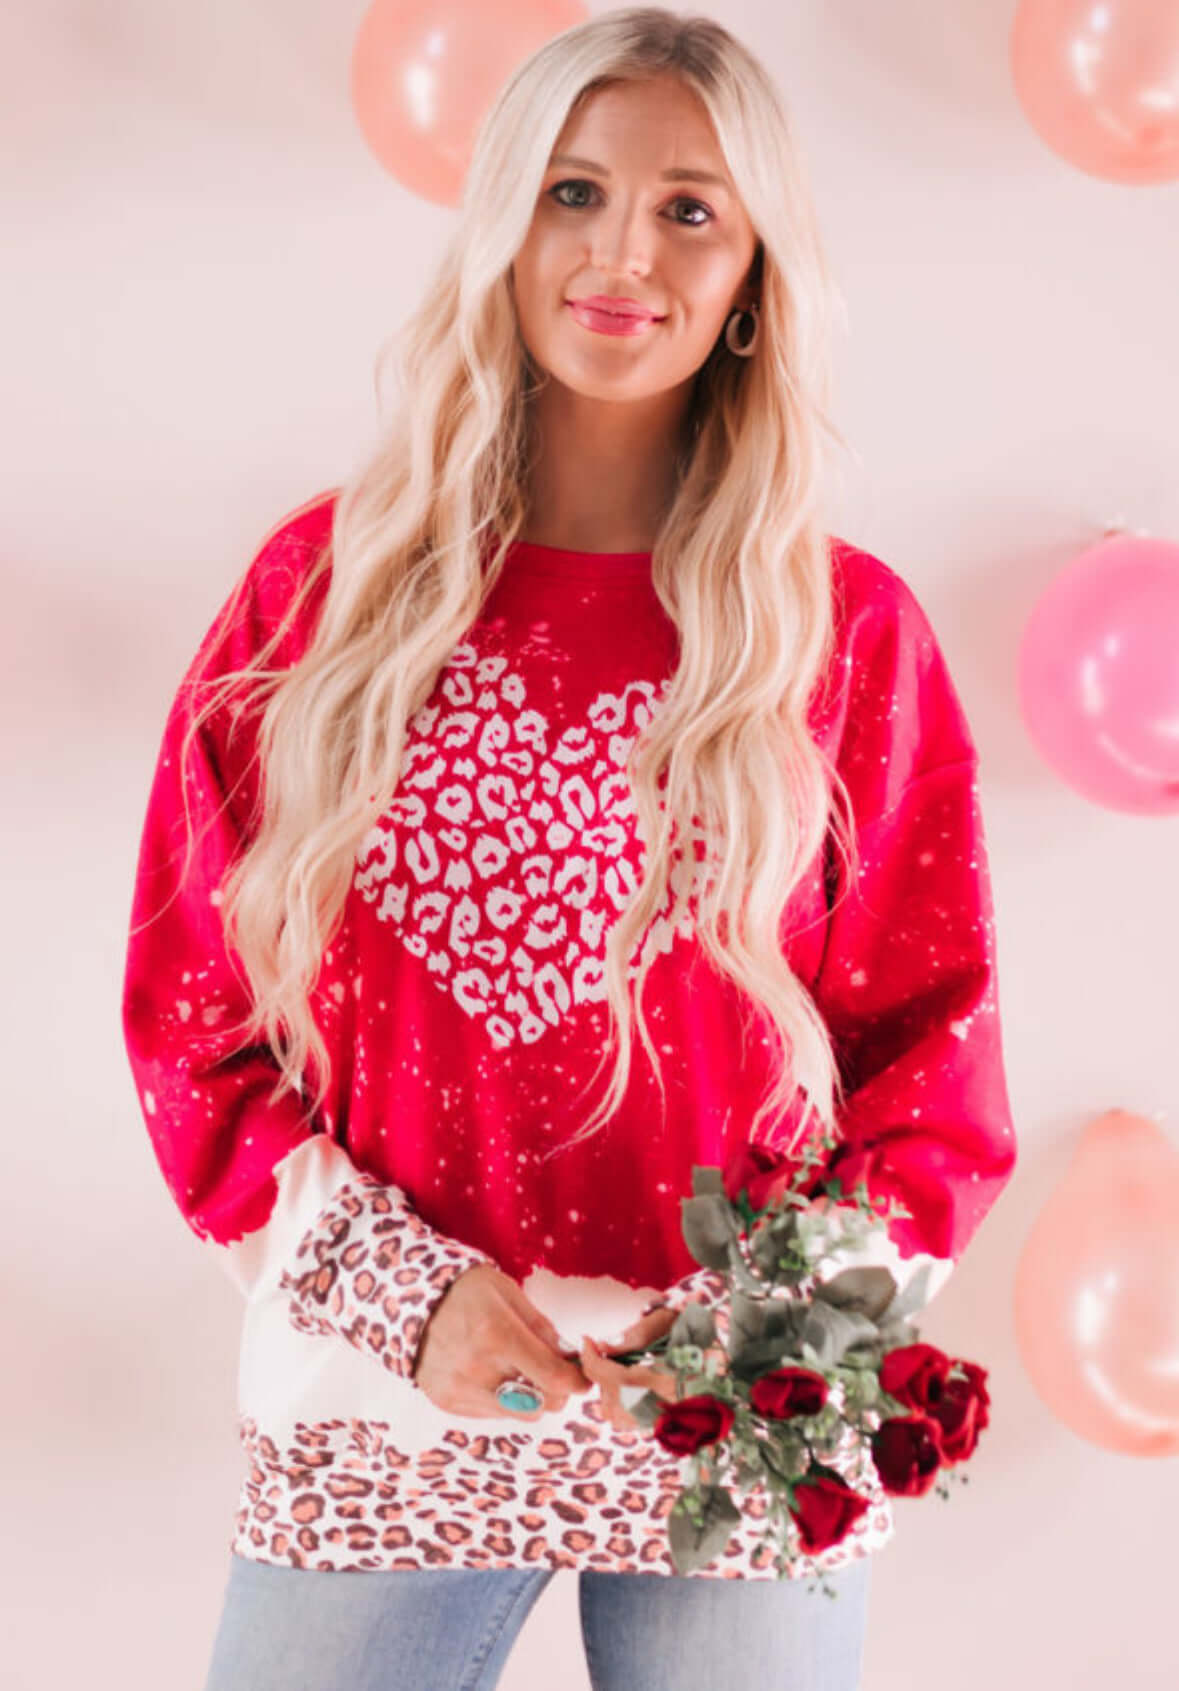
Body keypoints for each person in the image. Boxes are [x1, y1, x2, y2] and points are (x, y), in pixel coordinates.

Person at [121, 8, 1018, 1688]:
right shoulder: (320, 600)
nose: (624, 253)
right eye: (573, 191)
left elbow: (932, 1071)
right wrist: (411, 1298)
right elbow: (193, 1025)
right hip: (382, 1396)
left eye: (691, 208)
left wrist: (768, 1324)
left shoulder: (847, 637)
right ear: (503, 224)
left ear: (755, 270)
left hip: (738, 1420)